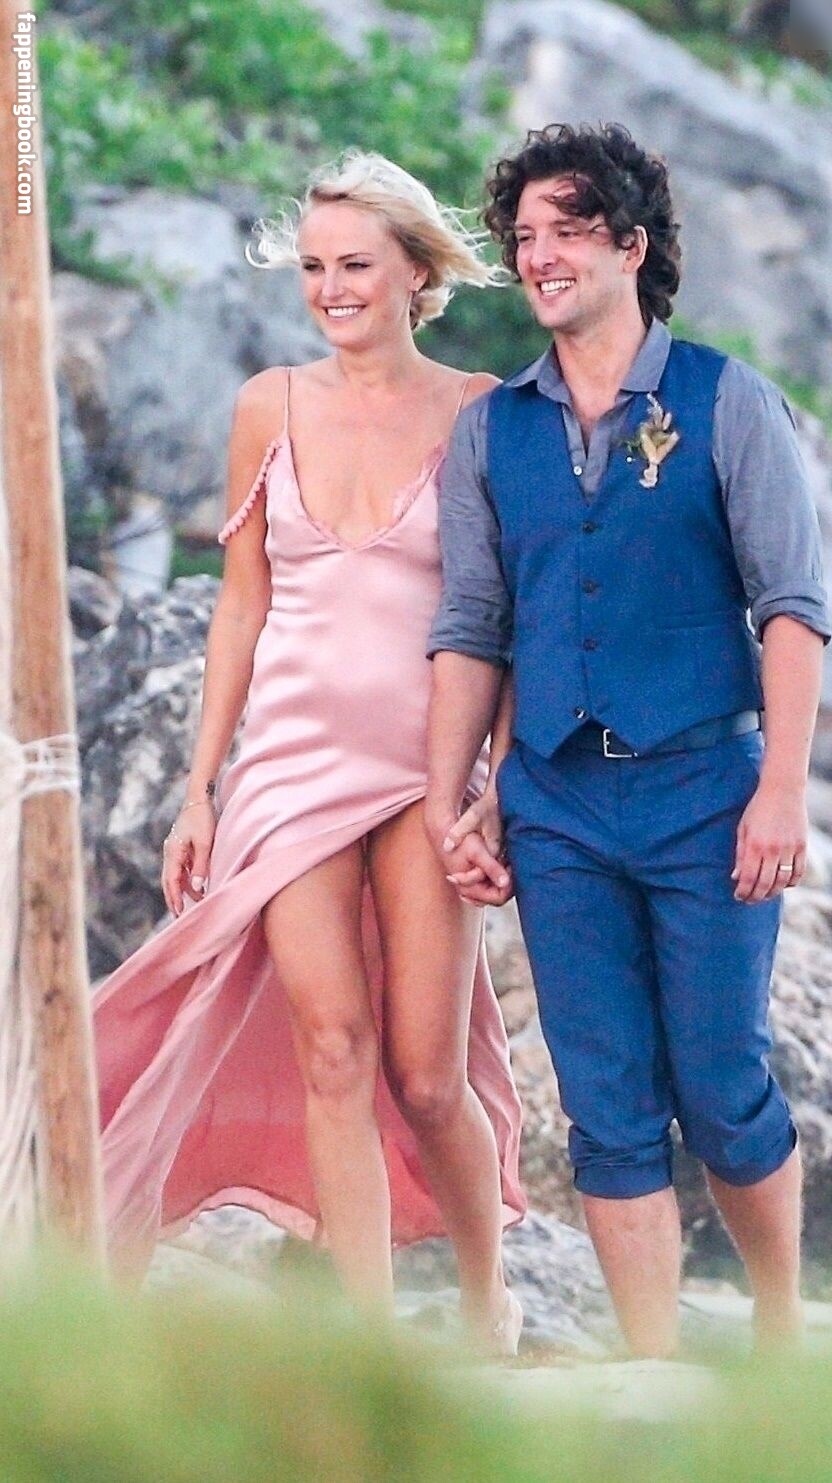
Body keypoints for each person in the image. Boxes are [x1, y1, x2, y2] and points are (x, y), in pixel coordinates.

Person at [93, 151, 525, 1352]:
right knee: (333, 1047)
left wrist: (494, 782)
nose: (331, 289)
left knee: (427, 1075)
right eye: (315, 267)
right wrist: (198, 789)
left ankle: (489, 1296)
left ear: (417, 274)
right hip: (288, 768)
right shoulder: (266, 405)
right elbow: (241, 603)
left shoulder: (482, 411)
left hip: (429, 770)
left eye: (356, 266)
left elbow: (507, 617)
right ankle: (370, 1343)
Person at [425, 123, 831, 1357]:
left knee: (721, 1084)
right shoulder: (491, 430)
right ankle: (653, 1371)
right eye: (523, 236)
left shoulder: (726, 400)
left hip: (708, 788)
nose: (538, 256)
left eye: (568, 230)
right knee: (603, 1101)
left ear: (632, 246)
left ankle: (780, 1333)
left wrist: (781, 789)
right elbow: (474, 625)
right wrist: (458, 798)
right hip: (554, 802)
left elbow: (791, 606)